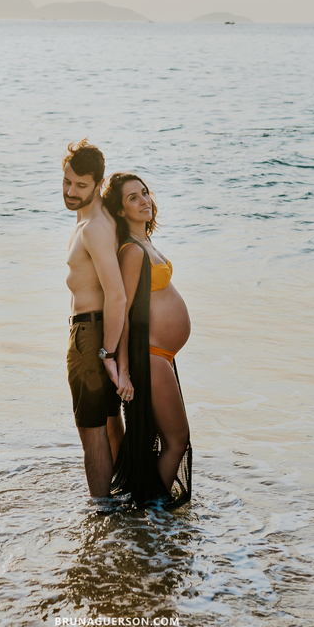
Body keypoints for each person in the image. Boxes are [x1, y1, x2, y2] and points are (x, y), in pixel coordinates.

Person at [103, 172, 192, 506]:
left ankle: (146, 511)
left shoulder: (146, 244)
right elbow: (123, 313)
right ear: (121, 211)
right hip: (150, 357)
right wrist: (122, 370)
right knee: (176, 439)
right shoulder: (132, 251)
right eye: (132, 198)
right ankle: (150, 513)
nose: (144, 201)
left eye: (144, 193)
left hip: (161, 356)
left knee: (165, 439)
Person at [62, 139, 133, 498]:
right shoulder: (89, 215)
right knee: (108, 422)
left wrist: (107, 355)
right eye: (67, 182)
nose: (71, 192)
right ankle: (124, 495)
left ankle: (101, 510)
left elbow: (117, 294)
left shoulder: (95, 228)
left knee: (91, 432)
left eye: (81, 186)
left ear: (98, 184)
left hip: (91, 336)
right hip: (94, 332)